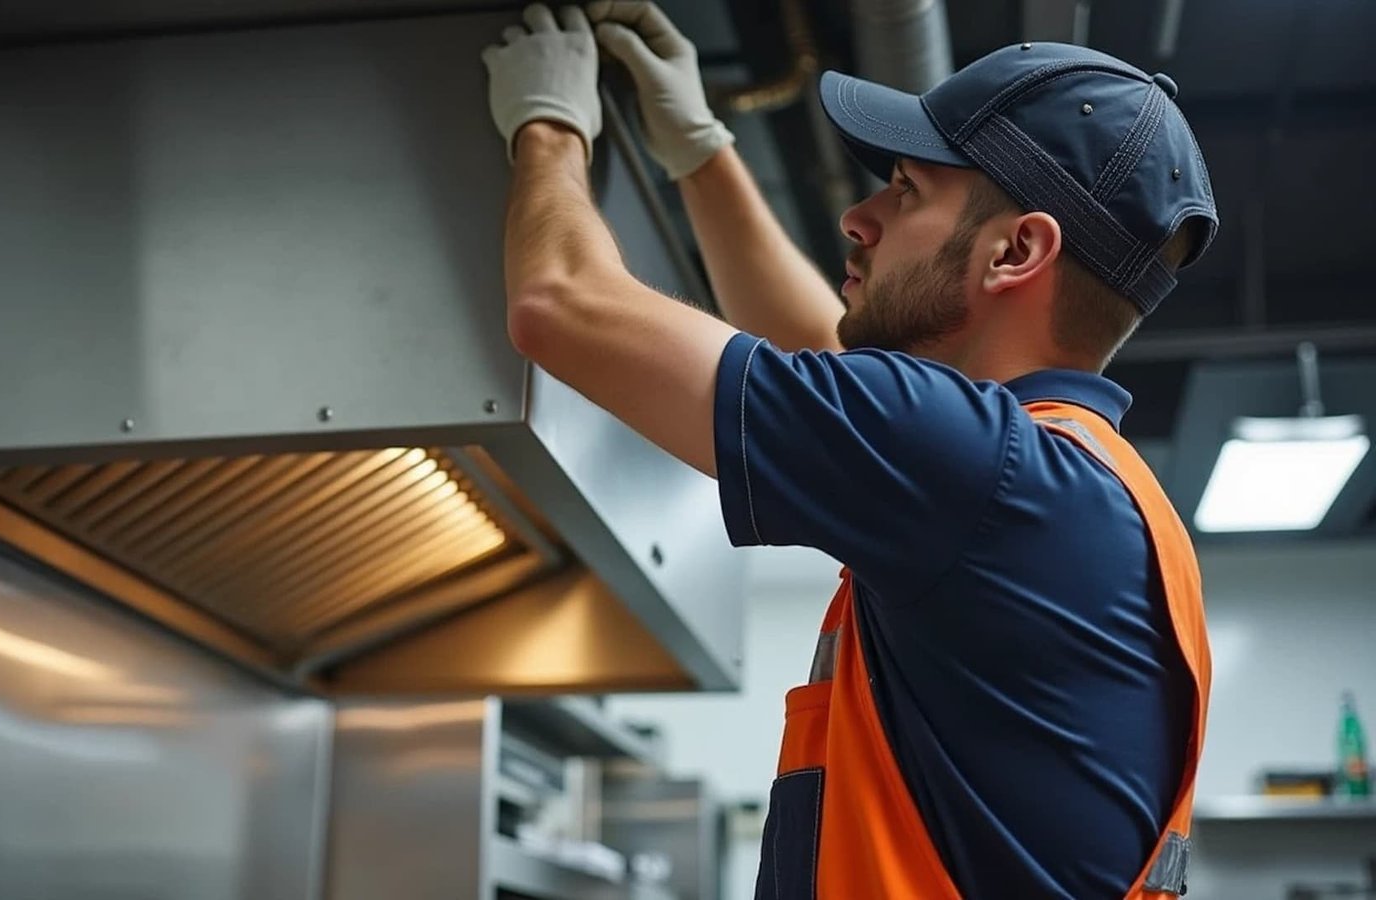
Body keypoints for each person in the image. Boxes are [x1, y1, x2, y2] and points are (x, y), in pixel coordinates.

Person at [481, 3, 1215, 897]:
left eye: (905, 189)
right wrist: (700, 149)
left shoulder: (980, 468)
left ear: (1015, 251)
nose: (858, 218)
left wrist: (547, 123)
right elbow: (815, 356)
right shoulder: (1079, 482)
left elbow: (560, 303)